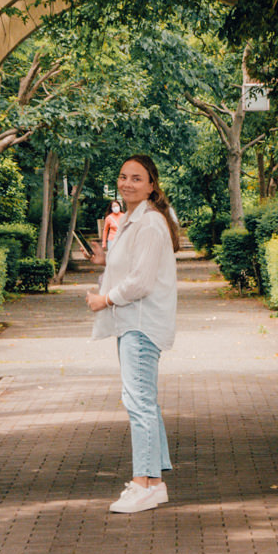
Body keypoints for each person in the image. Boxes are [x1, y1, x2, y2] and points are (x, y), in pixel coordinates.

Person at [85, 156, 180, 513]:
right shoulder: (132, 220)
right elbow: (134, 267)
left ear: (152, 185)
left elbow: (140, 282)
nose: (127, 183)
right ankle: (152, 483)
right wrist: (104, 263)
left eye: (136, 178)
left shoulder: (151, 223)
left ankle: (143, 482)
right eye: (123, 177)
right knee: (144, 403)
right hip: (133, 324)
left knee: (138, 403)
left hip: (141, 324)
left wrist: (103, 299)